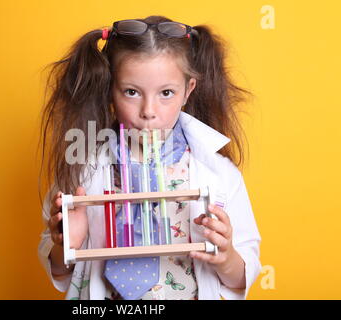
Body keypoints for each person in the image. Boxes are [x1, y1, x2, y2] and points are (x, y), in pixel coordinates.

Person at [37, 15, 262, 300]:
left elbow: (243, 275)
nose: (148, 110)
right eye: (131, 92)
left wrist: (226, 256)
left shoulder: (218, 172)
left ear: (187, 91)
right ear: (110, 90)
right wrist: (67, 244)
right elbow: (57, 271)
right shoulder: (80, 170)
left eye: (166, 93)